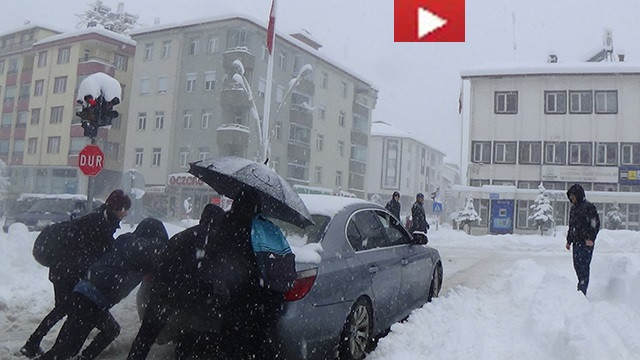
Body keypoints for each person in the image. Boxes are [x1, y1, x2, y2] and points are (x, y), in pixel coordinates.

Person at [20, 189, 131, 358]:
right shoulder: (101, 223)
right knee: (66, 310)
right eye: (125, 209)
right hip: (69, 274)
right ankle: (40, 347)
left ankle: (39, 346)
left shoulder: (99, 218)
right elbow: (100, 251)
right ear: (119, 207)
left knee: (65, 310)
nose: (126, 213)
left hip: (64, 271)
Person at [38, 218, 168, 360]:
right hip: (94, 299)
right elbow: (159, 268)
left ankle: (83, 357)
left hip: (83, 289)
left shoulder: (124, 239)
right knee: (70, 347)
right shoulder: (150, 251)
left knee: (110, 330)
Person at [127, 203, 228, 360]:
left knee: (145, 336)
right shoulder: (217, 242)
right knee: (188, 337)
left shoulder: (183, 236)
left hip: (162, 292)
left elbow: (160, 261)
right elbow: (217, 273)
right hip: (188, 298)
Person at [565, 184, 600, 295]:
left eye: (573, 196)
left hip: (586, 243)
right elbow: (572, 225)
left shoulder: (589, 207)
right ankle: (581, 287)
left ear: (578, 195)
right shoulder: (573, 209)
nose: (571, 198)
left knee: (584, 267)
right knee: (577, 266)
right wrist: (569, 240)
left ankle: (582, 291)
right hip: (576, 242)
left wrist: (591, 238)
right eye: (570, 196)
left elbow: (595, 224)